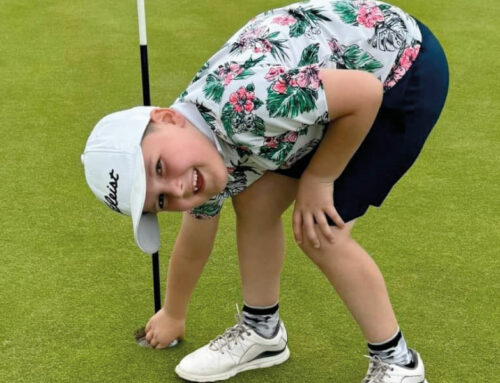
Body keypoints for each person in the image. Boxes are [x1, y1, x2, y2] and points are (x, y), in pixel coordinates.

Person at [81, 0, 448, 382]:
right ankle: (263, 331)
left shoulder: (247, 108)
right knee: (255, 202)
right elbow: (194, 239)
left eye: (157, 167)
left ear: (168, 117)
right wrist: (174, 312)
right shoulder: (198, 148)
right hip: (333, 90)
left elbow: (364, 94)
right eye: (160, 201)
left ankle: (399, 363)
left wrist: (318, 180)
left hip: (401, 71)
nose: (175, 188)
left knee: (321, 230)